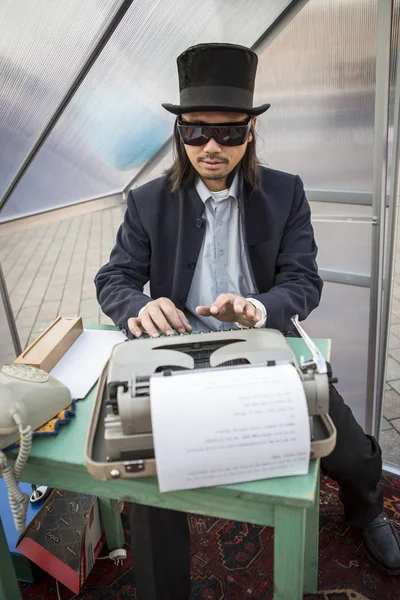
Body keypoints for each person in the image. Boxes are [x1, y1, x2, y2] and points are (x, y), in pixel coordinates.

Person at [95, 43, 400, 599]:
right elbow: (113, 278)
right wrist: (139, 307)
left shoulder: (285, 193)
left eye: (229, 132)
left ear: (250, 133)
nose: (211, 146)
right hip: (177, 356)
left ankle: (366, 512)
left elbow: (304, 281)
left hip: (263, 347)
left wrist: (258, 309)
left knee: (351, 450)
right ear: (179, 133)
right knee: (149, 476)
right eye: (195, 132)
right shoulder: (146, 203)